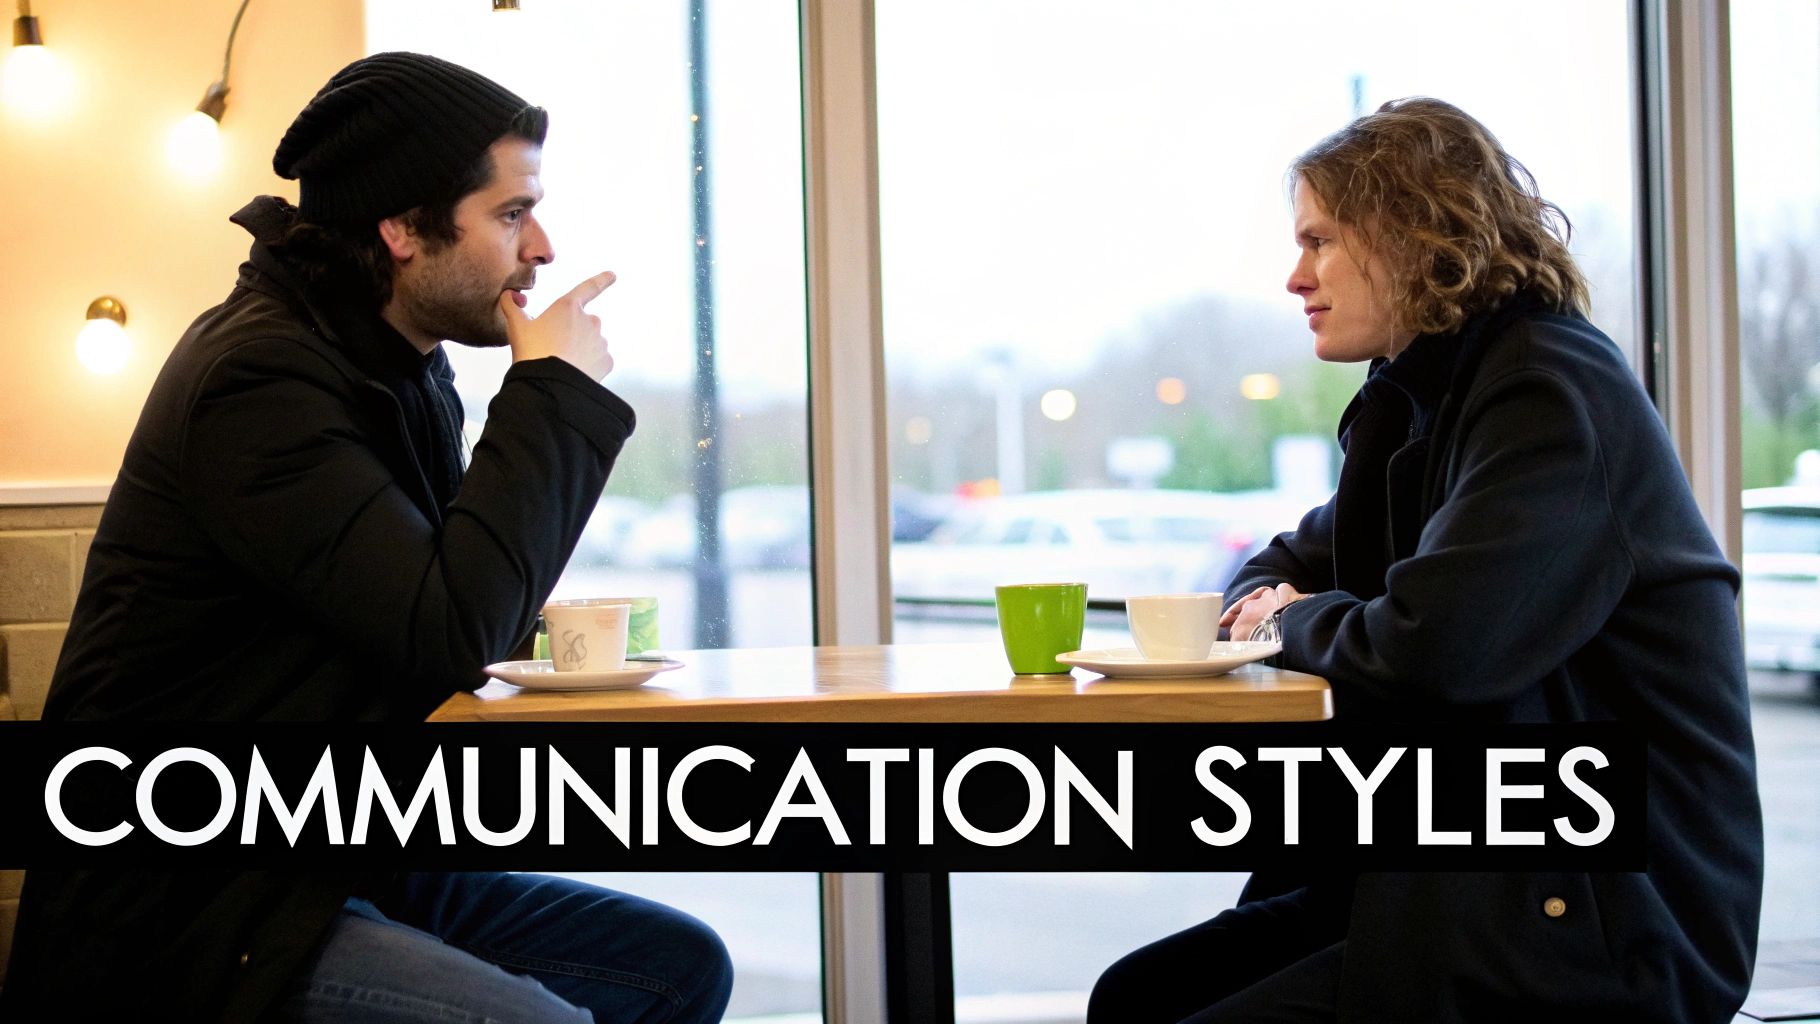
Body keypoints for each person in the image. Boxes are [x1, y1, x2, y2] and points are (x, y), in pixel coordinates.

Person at [2, 53, 733, 1022]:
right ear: (400, 228)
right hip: (197, 908)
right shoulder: (262, 380)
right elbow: (447, 627)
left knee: (675, 966)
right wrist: (557, 394)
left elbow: (447, 602)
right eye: (511, 214)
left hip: (341, 864)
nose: (543, 246)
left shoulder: (391, 365)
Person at [1089, 98, 1762, 1022]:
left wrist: (1282, 621)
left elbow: (1432, 652)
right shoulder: (1424, 395)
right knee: (1136, 997)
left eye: (1320, 241)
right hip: (1454, 871)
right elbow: (1287, 558)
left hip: (1599, 915)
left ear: (1411, 236)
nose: (1295, 277)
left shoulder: (1547, 395)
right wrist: (1272, 604)